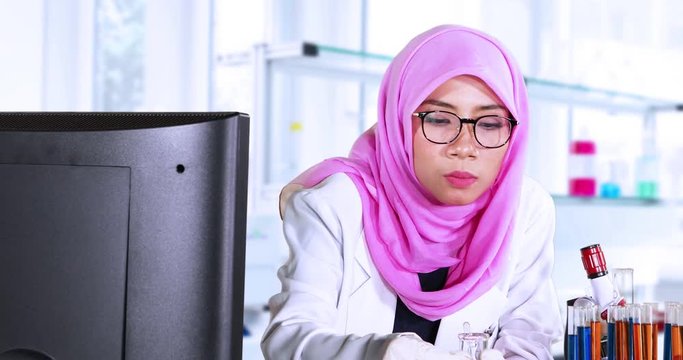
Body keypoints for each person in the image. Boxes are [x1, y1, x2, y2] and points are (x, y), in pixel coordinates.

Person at [261, 24, 563, 359]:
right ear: (399, 120)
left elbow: (529, 341)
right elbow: (289, 339)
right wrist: (388, 353)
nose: (464, 148)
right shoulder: (335, 203)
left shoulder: (525, 209)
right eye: (438, 119)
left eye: (490, 124)